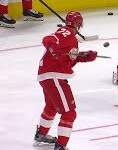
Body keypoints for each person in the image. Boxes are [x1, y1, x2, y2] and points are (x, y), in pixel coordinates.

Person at [35, 11, 97, 150]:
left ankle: (41, 134)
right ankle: (61, 146)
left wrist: (81, 57)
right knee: (69, 113)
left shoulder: (68, 34)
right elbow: (48, 40)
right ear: (80, 24)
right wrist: (55, 50)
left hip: (47, 75)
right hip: (54, 76)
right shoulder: (67, 32)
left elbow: (66, 60)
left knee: (51, 107)